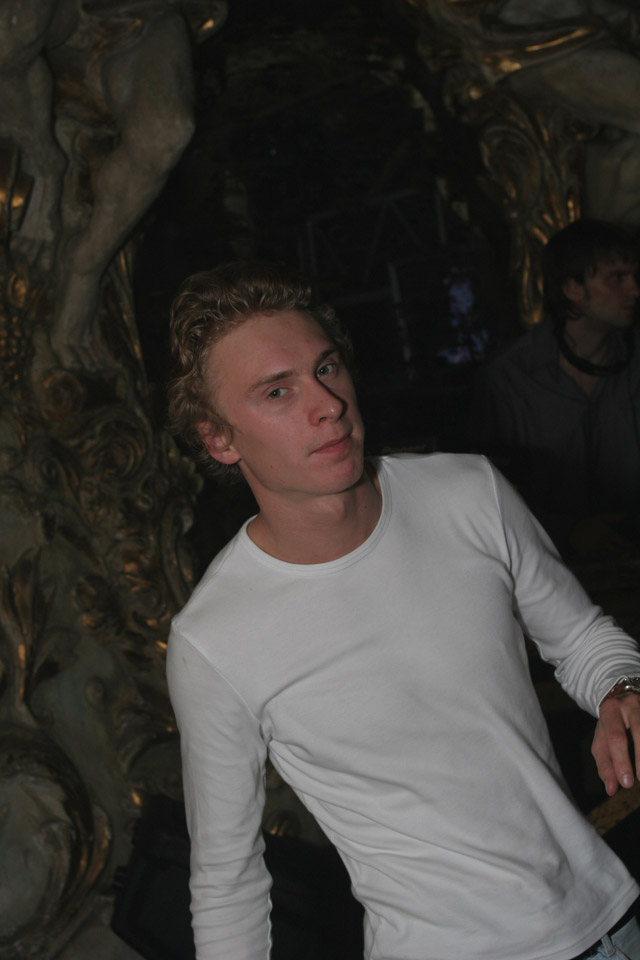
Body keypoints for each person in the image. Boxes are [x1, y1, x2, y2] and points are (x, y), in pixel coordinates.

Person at [166, 259, 640, 960]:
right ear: (219, 438)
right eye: (277, 391)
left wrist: (620, 689)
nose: (327, 404)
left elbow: (579, 637)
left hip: (611, 921)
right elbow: (227, 880)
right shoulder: (214, 638)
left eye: (327, 368)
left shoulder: (468, 491)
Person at [472, 218, 640, 557]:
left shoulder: (634, 360)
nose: (634, 290)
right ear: (573, 288)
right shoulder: (512, 377)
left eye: (634, 276)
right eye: (617, 278)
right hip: (549, 563)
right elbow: (489, 494)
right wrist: (569, 532)